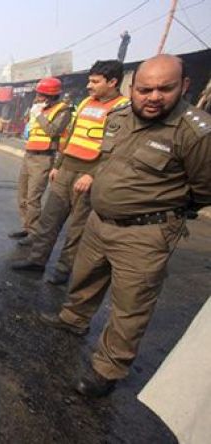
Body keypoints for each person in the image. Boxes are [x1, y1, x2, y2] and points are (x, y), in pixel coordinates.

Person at [38, 54, 211, 397]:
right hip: (99, 220)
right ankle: (74, 319)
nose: (154, 96)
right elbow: (106, 160)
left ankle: (108, 368)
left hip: (146, 232)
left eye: (165, 88)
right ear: (133, 88)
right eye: (145, 89)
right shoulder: (118, 117)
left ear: (184, 86)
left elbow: (205, 187)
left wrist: (163, 210)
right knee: (86, 277)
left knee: (130, 305)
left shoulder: (195, 131)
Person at [11, 60, 129, 284]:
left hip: (88, 174)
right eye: (89, 80)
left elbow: (118, 150)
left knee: (77, 227)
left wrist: (93, 175)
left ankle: (63, 270)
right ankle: (37, 261)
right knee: (49, 220)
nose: (89, 86)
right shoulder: (85, 102)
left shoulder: (122, 108)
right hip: (67, 169)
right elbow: (72, 136)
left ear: (113, 82)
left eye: (95, 81)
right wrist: (58, 165)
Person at [9, 77, 72, 245]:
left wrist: (39, 115)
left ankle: (34, 233)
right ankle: (27, 227)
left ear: (50, 96)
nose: (38, 97)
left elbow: (53, 131)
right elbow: (29, 127)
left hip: (44, 157)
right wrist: (32, 114)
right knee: (22, 195)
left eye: (41, 94)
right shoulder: (39, 108)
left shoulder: (63, 110)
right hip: (29, 154)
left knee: (33, 198)